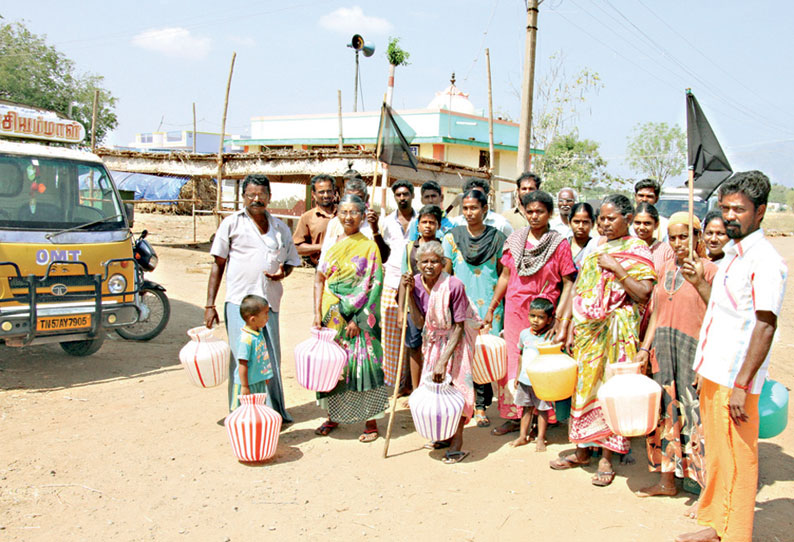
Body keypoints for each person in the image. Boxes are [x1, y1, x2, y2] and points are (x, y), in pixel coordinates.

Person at [676, 171, 787, 542]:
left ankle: (736, 533)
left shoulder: (765, 262)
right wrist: (700, 283)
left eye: (738, 209)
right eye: (724, 208)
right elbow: (723, 314)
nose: (729, 216)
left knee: (739, 459)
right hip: (715, 372)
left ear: (761, 212)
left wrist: (741, 384)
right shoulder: (732, 257)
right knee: (720, 456)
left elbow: (765, 326)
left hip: (736, 380)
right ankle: (717, 524)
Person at [550, 194, 656, 487]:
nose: (605, 224)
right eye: (603, 219)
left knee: (612, 392)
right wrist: (569, 324)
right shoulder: (596, 247)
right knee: (584, 389)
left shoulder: (638, 249)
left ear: (629, 219)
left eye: (612, 218)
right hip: (588, 334)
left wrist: (618, 269)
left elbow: (645, 293)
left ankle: (608, 458)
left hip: (618, 335)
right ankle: (582, 450)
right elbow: (581, 288)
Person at [634, 213, 716, 505]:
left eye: (685, 237)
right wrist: (645, 348)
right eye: (673, 238)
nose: (679, 243)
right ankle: (667, 481)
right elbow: (657, 312)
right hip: (663, 350)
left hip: (693, 352)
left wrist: (708, 363)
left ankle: (706, 493)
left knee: (696, 419)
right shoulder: (666, 268)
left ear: (698, 237)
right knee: (665, 415)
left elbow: (716, 318)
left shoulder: (710, 271)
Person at [205, 174, 301, 421]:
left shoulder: (280, 228)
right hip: (240, 305)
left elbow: (291, 261)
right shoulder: (231, 224)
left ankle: (272, 412)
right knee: (244, 358)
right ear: (243, 196)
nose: (256, 199)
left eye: (261, 195)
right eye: (251, 195)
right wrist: (209, 305)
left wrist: (283, 273)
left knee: (270, 359)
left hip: (268, 304)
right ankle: (241, 414)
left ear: (269, 197)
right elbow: (218, 264)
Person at [485, 190, 576, 435]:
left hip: (545, 314)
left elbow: (568, 282)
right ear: (524, 212)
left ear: (550, 214)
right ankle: (516, 417)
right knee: (514, 363)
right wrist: (492, 307)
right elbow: (505, 276)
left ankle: (542, 418)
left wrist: (561, 318)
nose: (534, 216)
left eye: (540, 212)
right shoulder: (514, 241)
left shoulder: (559, 243)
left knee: (541, 363)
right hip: (515, 311)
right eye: (530, 211)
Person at [312, 194, 388, 443]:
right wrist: (317, 314)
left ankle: (371, 420)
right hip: (331, 314)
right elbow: (320, 279)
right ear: (338, 214)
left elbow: (374, 284)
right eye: (343, 211)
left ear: (363, 214)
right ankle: (334, 416)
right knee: (333, 366)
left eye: (353, 211)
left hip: (359, 318)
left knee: (362, 365)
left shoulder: (369, 246)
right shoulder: (331, 245)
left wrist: (358, 318)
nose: (348, 216)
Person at [401, 241, 480, 464]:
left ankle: (457, 444)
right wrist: (408, 295)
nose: (429, 265)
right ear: (417, 264)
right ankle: (445, 435)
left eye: (434, 261)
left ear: (443, 263)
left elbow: (458, 326)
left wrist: (443, 361)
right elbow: (418, 322)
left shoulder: (454, 285)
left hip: (456, 342)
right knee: (437, 390)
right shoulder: (414, 284)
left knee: (456, 389)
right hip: (433, 341)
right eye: (424, 261)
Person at [443, 189, 507, 428]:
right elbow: (446, 273)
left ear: (485, 210)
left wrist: (493, 306)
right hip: (459, 306)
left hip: (489, 306)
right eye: (465, 208)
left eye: (474, 208)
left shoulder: (498, 238)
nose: (469, 213)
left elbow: (503, 274)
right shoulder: (452, 237)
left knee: (482, 357)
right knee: (460, 357)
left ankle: (481, 407)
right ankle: (461, 403)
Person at [398, 205, 444, 393]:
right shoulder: (410, 247)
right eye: (424, 222)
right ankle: (416, 390)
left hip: (436, 303)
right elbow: (404, 278)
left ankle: (435, 387)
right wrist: (402, 310)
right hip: (413, 302)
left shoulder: (443, 246)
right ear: (418, 226)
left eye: (431, 222)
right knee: (414, 346)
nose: (427, 226)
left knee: (436, 346)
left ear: (438, 225)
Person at [379, 180, 416, 390]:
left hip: (416, 284)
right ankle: (392, 383)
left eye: (405, 194)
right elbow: (382, 248)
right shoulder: (386, 222)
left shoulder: (421, 220)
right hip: (391, 282)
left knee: (413, 337)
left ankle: (410, 384)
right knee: (391, 337)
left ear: (412, 195)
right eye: (398, 195)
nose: (402, 198)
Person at [510, 297, 556, 452]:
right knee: (526, 408)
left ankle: (541, 438)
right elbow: (521, 354)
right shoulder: (524, 334)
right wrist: (517, 375)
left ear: (550, 320)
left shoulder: (550, 337)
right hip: (524, 379)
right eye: (532, 316)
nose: (535, 320)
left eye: (541, 317)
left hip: (542, 381)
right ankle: (523, 436)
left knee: (542, 410)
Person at [319, 175, 391, 262]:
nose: (354, 203)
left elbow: (383, 258)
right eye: (350, 197)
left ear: (367, 198)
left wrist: (375, 230)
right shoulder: (335, 223)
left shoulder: (379, 223)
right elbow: (324, 258)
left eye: (358, 198)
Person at [230, 295, 273, 410]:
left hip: (258, 381)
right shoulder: (246, 339)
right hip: (247, 383)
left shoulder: (258, 333)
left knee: (257, 409)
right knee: (243, 411)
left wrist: (264, 376)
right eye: (265, 314)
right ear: (253, 319)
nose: (268, 317)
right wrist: (244, 386)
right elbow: (243, 364)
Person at [292, 174, 337, 267]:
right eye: (321, 192)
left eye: (329, 191)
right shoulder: (307, 217)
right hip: (322, 269)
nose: (326, 195)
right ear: (314, 194)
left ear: (334, 192)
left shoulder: (345, 214)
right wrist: (322, 247)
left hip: (348, 270)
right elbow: (296, 247)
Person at [449, 178, 514, 236]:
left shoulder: (501, 224)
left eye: (479, 195)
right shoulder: (456, 224)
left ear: (486, 197)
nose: (475, 199)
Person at [633, 202, 675, 273]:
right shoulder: (626, 248)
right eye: (638, 223)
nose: (642, 227)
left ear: (656, 225)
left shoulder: (666, 251)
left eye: (647, 223)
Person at [567, 202, 598, 272]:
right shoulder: (562, 245)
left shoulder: (595, 248)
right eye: (576, 222)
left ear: (592, 224)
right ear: (569, 223)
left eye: (585, 222)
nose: (581, 226)